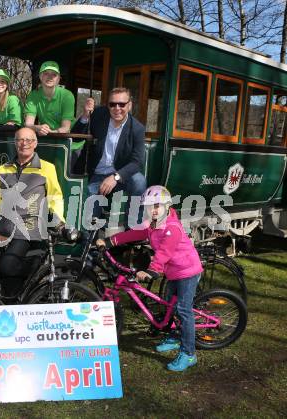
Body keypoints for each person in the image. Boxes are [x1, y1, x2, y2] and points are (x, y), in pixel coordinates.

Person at [97, 185, 203, 372]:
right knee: (169, 305)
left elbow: (164, 252)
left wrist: (152, 270)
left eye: (157, 206)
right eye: (149, 206)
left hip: (187, 271)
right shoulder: (153, 224)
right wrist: (110, 241)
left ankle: (189, 353)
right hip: (173, 272)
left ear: (167, 206)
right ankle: (174, 335)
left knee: (183, 310)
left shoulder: (172, 228)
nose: (153, 210)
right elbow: (134, 233)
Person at [0, 127, 65, 297]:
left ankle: (39, 270)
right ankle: (12, 303)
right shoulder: (3, 169)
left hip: (28, 230)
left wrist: (59, 219)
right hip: (3, 229)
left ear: (36, 143)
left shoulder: (47, 168)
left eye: (29, 140)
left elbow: (55, 197)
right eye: (20, 140)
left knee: (7, 266)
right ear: (15, 143)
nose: (24, 144)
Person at [72, 87, 147, 226]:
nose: (117, 108)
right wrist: (85, 116)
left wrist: (115, 177)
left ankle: (133, 230)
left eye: (122, 104)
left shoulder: (137, 129)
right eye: (112, 104)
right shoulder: (98, 115)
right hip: (95, 174)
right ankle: (88, 241)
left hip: (120, 175)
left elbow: (137, 162)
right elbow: (75, 137)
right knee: (87, 219)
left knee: (139, 182)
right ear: (108, 105)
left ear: (129, 105)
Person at [24, 61, 75, 136]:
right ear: (40, 76)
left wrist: (49, 132)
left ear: (58, 79)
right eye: (46, 73)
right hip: (46, 137)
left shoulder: (67, 95)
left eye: (54, 75)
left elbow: (66, 128)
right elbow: (28, 124)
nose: (50, 77)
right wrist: (37, 128)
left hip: (69, 139)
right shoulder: (33, 95)